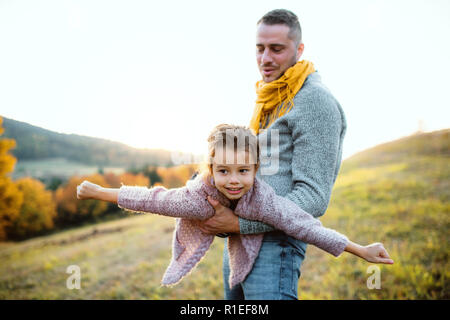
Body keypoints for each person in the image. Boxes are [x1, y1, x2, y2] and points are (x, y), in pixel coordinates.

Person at [77, 124, 393, 291]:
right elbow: (154, 199)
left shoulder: (262, 198)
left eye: (243, 171)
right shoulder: (198, 198)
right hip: (221, 244)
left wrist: (360, 249)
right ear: (211, 169)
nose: (233, 181)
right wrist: (99, 192)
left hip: (250, 249)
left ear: (256, 170)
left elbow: (304, 225)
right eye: (223, 171)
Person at [195, 9, 349, 299]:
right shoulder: (272, 97)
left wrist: (240, 222)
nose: (265, 59)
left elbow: (313, 198)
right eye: (259, 48)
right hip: (240, 245)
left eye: (276, 49)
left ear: (299, 49)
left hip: (274, 246)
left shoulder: (315, 101)